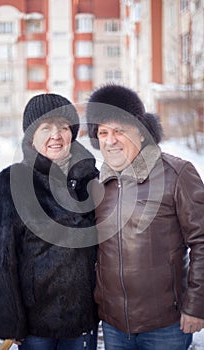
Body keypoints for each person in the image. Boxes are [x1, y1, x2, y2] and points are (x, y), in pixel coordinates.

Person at [85, 84, 204, 350]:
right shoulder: (98, 183)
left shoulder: (176, 174)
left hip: (166, 326)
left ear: (140, 132)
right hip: (115, 327)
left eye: (119, 130)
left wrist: (196, 306)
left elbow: (202, 241)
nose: (110, 139)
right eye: (103, 132)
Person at [0, 93, 99, 350]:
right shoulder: (12, 182)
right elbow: (0, 260)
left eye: (62, 127)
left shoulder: (89, 179)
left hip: (82, 320)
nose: (55, 135)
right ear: (31, 136)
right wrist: (10, 322)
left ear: (72, 132)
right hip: (36, 326)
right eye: (45, 127)